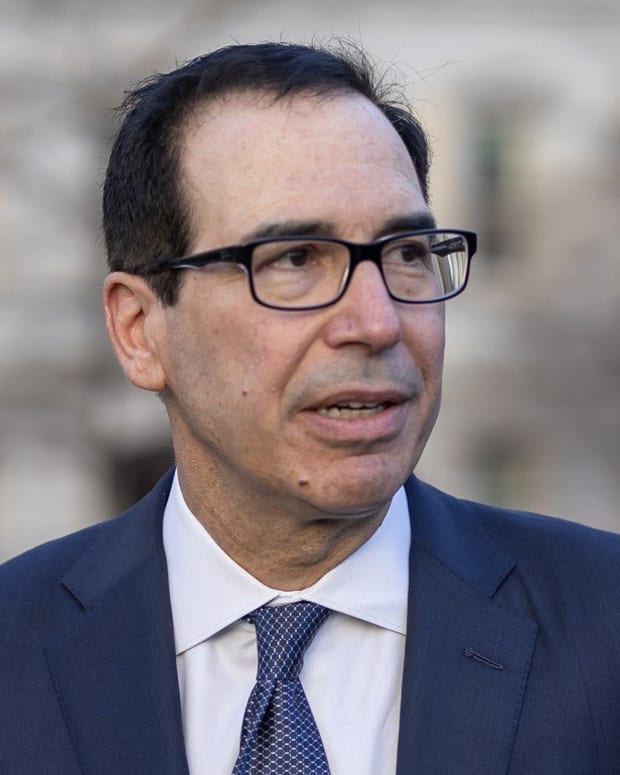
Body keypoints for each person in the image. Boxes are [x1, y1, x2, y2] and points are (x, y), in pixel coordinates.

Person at [0, 41, 618, 775]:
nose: (377, 320)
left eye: (407, 253)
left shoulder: (601, 629)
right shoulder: (17, 652)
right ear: (140, 329)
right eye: (294, 259)